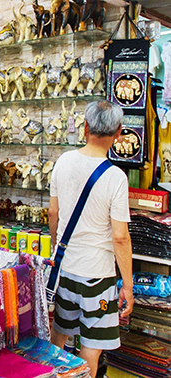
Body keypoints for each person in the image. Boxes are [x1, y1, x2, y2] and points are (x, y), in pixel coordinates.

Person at [48, 100, 134, 378]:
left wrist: (57, 248)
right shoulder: (116, 177)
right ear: (118, 132)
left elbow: (54, 213)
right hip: (97, 277)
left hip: (65, 270)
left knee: (59, 336)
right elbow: (120, 238)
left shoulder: (63, 162)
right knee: (92, 347)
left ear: (85, 128)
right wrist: (128, 287)